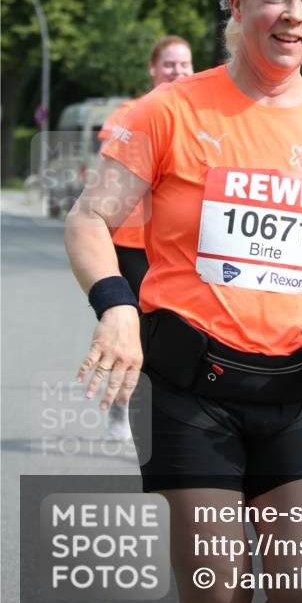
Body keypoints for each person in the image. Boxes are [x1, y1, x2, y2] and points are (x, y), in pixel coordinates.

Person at [65, 0, 302, 603]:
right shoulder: (168, 111)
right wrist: (116, 308)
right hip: (187, 387)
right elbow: (90, 219)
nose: (292, 15)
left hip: (296, 387)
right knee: (217, 598)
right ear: (236, 3)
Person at [98, 35, 194, 440]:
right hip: (132, 243)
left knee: (179, 332)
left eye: (185, 65)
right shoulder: (128, 113)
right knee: (138, 329)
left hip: (180, 246)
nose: (178, 72)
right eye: (169, 64)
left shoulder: (199, 115)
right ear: (153, 69)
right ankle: (123, 404)